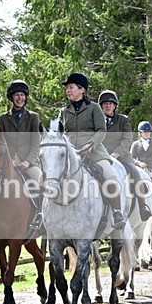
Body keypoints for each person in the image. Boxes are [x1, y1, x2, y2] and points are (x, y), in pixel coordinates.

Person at [0, 79, 42, 237]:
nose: (20, 98)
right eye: (17, 95)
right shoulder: (2, 119)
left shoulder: (33, 117)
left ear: (26, 97)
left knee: (40, 181)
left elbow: (36, 143)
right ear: (11, 97)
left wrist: (27, 162)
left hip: (28, 164)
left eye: (23, 95)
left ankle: (41, 220)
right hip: (7, 165)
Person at [57, 72, 126, 229]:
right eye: (67, 88)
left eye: (71, 87)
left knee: (110, 176)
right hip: (71, 155)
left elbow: (102, 130)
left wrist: (90, 144)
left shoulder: (94, 108)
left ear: (82, 90)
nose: (68, 90)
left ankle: (116, 212)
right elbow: (60, 133)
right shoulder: (63, 111)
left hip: (94, 152)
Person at [99, 90, 152, 221]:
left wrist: (116, 153)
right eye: (105, 103)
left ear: (115, 105)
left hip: (122, 156)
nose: (108, 106)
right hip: (100, 154)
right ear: (101, 105)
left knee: (135, 172)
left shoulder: (123, 120)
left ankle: (143, 206)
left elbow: (127, 139)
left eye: (111, 103)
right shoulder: (97, 120)